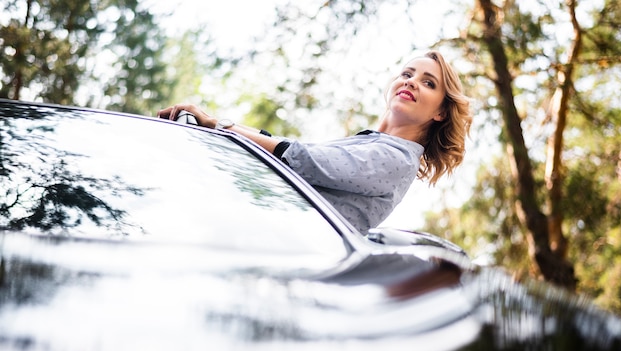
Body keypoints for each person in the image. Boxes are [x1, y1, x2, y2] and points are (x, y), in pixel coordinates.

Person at [157, 51, 472, 234]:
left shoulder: (397, 160)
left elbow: (302, 160)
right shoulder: (370, 144)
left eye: (428, 83)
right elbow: (285, 148)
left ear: (442, 111)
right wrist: (215, 123)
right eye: (407, 73)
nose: (411, 81)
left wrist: (218, 124)